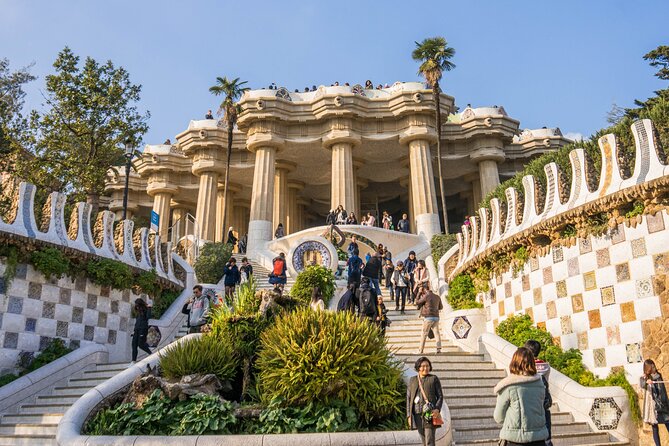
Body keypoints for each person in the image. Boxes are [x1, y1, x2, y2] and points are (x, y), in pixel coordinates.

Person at [494, 347, 549, 446]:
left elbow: (498, 417)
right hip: (539, 439)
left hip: (515, 440)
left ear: (514, 362)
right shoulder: (540, 384)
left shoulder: (508, 386)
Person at [407, 357, 444, 446]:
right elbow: (408, 398)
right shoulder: (412, 380)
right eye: (423, 366)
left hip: (429, 414)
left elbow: (440, 396)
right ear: (418, 367)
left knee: (429, 441)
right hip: (417, 415)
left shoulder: (433, 379)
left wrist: (437, 409)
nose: (425, 368)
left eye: (427, 366)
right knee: (424, 441)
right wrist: (409, 415)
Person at [524, 340, 553, 446]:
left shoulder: (526, 367)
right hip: (543, 402)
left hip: (531, 404)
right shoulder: (546, 366)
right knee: (547, 438)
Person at [641, 359, 669, 446]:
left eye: (654, 365)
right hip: (653, 407)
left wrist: (666, 402)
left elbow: (662, 390)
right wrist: (646, 381)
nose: (654, 368)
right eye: (652, 366)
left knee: (668, 423)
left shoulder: (658, 375)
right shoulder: (644, 377)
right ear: (648, 368)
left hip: (662, 405)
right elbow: (642, 384)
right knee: (655, 428)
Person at [416, 284, 442, 354]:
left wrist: (418, 293)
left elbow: (417, 302)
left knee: (424, 334)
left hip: (428, 317)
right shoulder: (437, 297)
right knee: (437, 333)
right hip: (436, 317)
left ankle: (420, 350)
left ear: (424, 289)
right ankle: (438, 349)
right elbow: (441, 307)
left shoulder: (426, 296)